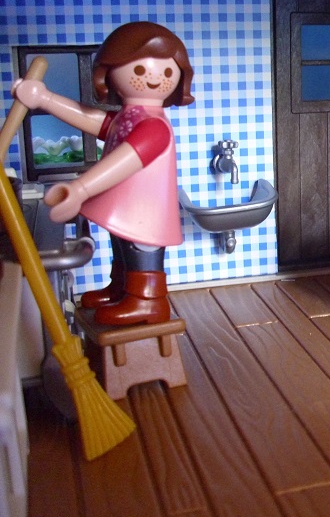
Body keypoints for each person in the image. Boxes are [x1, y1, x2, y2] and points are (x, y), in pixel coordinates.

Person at [12, 21, 194, 325]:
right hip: (126, 205)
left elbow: (126, 158)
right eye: (139, 70)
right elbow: (91, 119)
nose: (153, 78)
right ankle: (122, 288)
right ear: (107, 73)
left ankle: (147, 300)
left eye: (166, 72)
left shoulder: (154, 126)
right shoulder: (129, 116)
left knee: (141, 247)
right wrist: (44, 99)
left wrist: (80, 188)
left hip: (145, 208)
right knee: (122, 245)